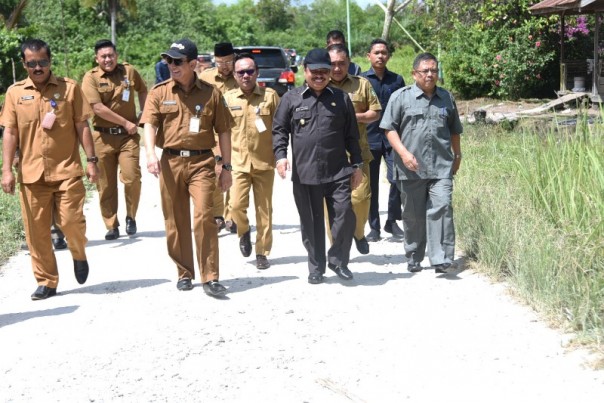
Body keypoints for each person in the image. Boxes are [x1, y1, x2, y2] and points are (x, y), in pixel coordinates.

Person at [0, 39, 99, 300]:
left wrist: (91, 160)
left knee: (70, 222)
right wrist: (6, 170)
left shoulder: (70, 89)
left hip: (66, 170)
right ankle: (47, 281)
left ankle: (78, 252)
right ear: (24, 64)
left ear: (50, 61)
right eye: (31, 63)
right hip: (32, 175)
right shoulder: (15, 93)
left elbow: (82, 126)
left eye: (42, 62)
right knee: (37, 233)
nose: (38, 68)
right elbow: (9, 132)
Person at [141, 38, 233, 297]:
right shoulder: (159, 92)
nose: (171, 65)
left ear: (193, 64)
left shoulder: (211, 93)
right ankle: (184, 272)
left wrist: (226, 167)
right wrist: (150, 154)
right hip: (170, 162)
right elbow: (149, 124)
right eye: (168, 60)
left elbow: (224, 131)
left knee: (204, 215)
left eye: (177, 61)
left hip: (202, 162)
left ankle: (210, 276)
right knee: (175, 220)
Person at [273, 48, 363, 285]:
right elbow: (279, 130)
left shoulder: (341, 98)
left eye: (325, 71)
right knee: (311, 224)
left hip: (338, 171)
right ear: (305, 71)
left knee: (345, 216)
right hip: (305, 173)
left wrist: (357, 165)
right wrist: (281, 156)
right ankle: (316, 267)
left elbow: (352, 136)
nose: (320, 76)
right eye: (315, 72)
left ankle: (338, 260)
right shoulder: (291, 99)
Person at [380, 52, 463, 274]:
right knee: (413, 214)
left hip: (441, 166)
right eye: (425, 71)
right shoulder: (401, 97)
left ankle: (442, 258)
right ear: (414, 73)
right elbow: (389, 128)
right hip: (411, 168)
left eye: (434, 70)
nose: (430, 74)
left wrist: (458, 156)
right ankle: (414, 254)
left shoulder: (446, 98)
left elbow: (455, 130)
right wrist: (404, 154)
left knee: (442, 207)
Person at [82, 39, 147, 240]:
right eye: (103, 56)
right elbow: (97, 108)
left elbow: (143, 90)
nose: (108, 59)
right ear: (97, 58)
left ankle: (131, 216)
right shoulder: (90, 78)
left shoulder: (129, 71)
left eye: (111, 55)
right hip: (102, 137)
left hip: (128, 138)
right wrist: (125, 122)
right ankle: (111, 225)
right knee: (106, 184)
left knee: (132, 177)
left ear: (116, 56)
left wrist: (143, 115)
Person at [224, 53, 280, 270]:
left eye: (249, 71)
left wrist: (281, 155)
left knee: (264, 209)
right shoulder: (228, 98)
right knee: (236, 205)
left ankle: (262, 252)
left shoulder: (270, 96)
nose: (245, 76)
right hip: (237, 163)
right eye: (241, 72)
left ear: (257, 73)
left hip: (264, 162)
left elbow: (280, 127)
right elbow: (221, 132)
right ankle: (243, 230)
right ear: (235, 75)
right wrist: (221, 161)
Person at [327, 44, 381, 255]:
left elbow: (375, 112)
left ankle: (358, 233)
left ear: (349, 63)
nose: (337, 68)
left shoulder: (362, 84)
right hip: (329, 155)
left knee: (360, 199)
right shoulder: (320, 85)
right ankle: (336, 247)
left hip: (358, 153)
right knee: (331, 206)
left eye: (342, 63)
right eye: (333, 64)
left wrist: (351, 117)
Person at [361, 39, 406, 242]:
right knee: (371, 186)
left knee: (397, 180)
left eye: (384, 52)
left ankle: (392, 221)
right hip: (368, 138)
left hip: (392, 138)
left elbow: (404, 109)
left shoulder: (397, 80)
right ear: (368, 56)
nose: (380, 56)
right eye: (376, 52)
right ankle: (374, 227)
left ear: (388, 56)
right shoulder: (361, 81)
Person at [200, 42, 238, 234]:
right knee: (216, 170)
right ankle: (217, 214)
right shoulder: (205, 77)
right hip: (214, 132)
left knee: (234, 171)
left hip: (237, 132)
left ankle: (232, 215)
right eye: (220, 62)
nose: (225, 66)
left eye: (229, 61)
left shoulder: (241, 76)